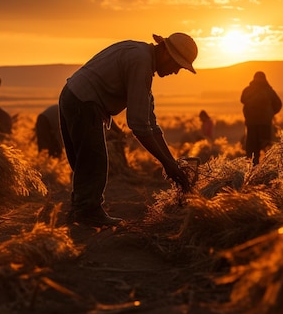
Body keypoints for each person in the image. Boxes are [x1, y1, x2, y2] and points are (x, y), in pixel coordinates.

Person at [59, 32, 197, 227]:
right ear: (166, 52)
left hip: (74, 96)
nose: (176, 72)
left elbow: (151, 123)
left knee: (86, 162)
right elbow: (139, 126)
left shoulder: (142, 59)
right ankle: (87, 213)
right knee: (95, 162)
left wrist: (171, 161)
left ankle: (80, 212)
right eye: (177, 65)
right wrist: (166, 164)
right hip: (83, 101)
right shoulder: (140, 63)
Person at [240, 71, 282, 165]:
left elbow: (242, 100)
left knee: (252, 151)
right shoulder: (269, 90)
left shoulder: (248, 90)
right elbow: (278, 104)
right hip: (265, 124)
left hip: (251, 124)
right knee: (267, 149)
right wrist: (270, 113)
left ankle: (253, 172)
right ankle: (267, 171)